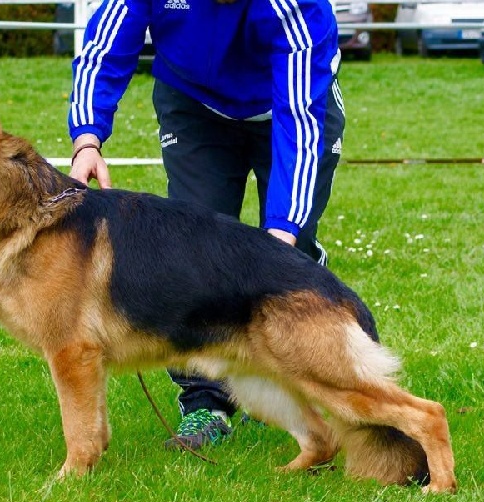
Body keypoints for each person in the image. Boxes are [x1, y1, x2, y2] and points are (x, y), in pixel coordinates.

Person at [68, 0, 345, 450]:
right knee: (191, 259)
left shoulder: (297, 7)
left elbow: (298, 118)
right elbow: (106, 44)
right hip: (194, 102)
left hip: (289, 102)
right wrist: (87, 138)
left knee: (290, 255)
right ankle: (204, 402)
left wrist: (282, 233)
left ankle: (293, 387)